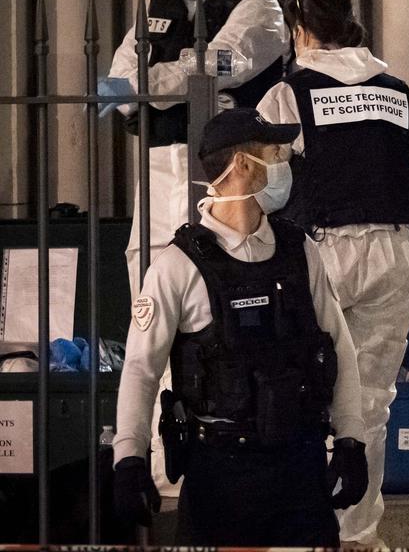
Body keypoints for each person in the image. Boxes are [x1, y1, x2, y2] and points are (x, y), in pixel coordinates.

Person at [111, 108, 368, 546]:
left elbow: (338, 346)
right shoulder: (178, 265)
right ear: (245, 166)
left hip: (299, 465)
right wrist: (129, 458)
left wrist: (351, 439)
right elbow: (140, 368)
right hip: (220, 475)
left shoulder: (299, 249)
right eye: (275, 151)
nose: (286, 161)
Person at [256, 0, 409, 546]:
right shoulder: (399, 92)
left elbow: (267, 186)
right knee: (370, 401)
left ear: (301, 34)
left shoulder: (288, 95)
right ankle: (358, 534)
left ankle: (305, 529)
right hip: (397, 251)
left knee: (303, 392)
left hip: (323, 253)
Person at [100, 0, 290, 297]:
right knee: (147, 264)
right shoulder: (159, 3)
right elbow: (121, 73)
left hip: (223, 157)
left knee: (216, 262)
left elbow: (219, 67)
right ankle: (161, 358)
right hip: (156, 155)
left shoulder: (256, 4)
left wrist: (146, 88)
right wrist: (142, 91)